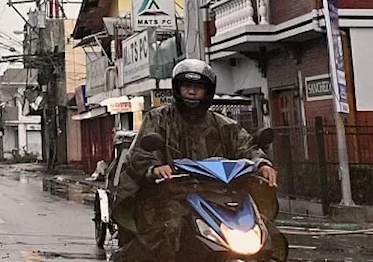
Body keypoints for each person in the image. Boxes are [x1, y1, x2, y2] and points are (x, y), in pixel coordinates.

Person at [111, 59, 285, 262]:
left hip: (219, 197)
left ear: (208, 91)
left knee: (266, 232)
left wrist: (262, 164)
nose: (192, 92)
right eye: (187, 86)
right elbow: (142, 152)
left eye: (198, 88)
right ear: (178, 89)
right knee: (169, 228)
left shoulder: (224, 125)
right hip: (171, 196)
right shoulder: (158, 119)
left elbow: (247, 147)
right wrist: (155, 167)